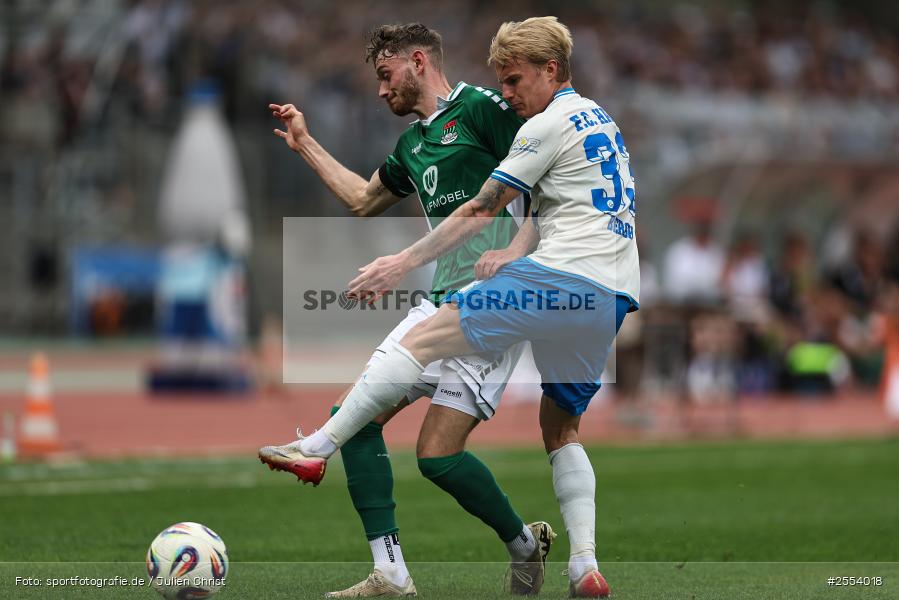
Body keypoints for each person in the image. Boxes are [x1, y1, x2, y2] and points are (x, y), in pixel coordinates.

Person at [285, 17, 638, 598]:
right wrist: (306, 144)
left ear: (417, 62)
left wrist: (510, 247)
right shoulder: (415, 144)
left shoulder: (485, 110)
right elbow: (362, 199)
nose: (380, 89)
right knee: (440, 447)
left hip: (500, 297)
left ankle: (315, 446)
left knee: (396, 430)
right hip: (589, 287)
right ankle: (424, 566)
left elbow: (517, 189)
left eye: (385, 74)